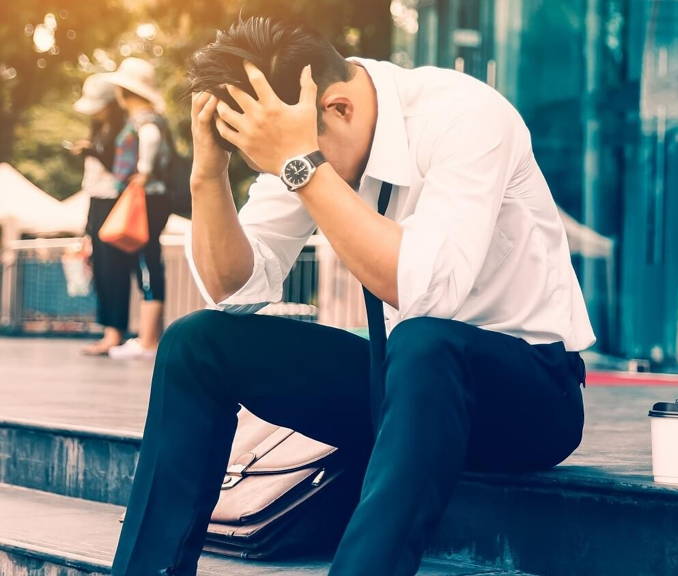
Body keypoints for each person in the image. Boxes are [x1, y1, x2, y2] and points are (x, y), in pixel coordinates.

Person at [111, 16, 593, 576]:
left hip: (529, 400)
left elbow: (426, 290)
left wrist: (301, 165)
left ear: (338, 108)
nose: (285, 172)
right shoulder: (311, 134)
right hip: (399, 394)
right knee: (197, 343)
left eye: (285, 156)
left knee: (424, 341)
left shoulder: (465, 115)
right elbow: (237, 290)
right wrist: (209, 176)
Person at [89, 58, 173, 360]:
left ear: (126, 92)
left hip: (148, 198)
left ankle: (148, 341)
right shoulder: (150, 117)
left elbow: (149, 140)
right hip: (153, 198)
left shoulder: (144, 120)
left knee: (147, 263)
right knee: (147, 261)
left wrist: (144, 170)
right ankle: (151, 338)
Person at [71, 74, 127, 355]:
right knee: (101, 268)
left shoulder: (123, 130)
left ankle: (115, 333)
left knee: (114, 268)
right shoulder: (98, 128)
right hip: (95, 201)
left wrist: (93, 150)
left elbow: (122, 169)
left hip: (114, 202)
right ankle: (107, 331)